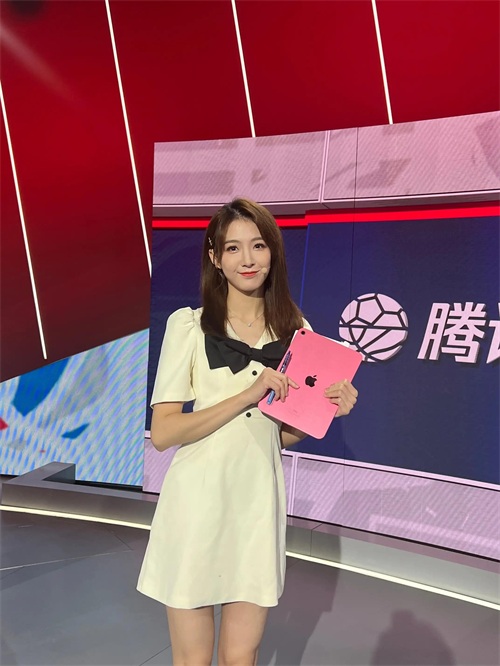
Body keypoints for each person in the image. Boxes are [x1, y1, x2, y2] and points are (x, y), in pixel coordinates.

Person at [137, 197, 358, 666]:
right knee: (193, 659)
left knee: (243, 655)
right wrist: (245, 395)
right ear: (215, 258)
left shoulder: (297, 330)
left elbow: (273, 435)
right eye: (233, 248)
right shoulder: (189, 326)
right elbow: (164, 432)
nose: (248, 259)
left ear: (273, 252)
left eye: (258, 245)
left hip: (257, 505)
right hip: (196, 504)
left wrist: (328, 412)